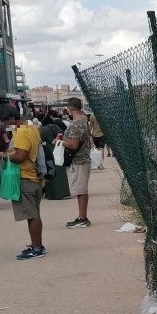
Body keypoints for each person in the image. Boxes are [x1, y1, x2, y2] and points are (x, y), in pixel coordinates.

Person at [6, 109, 46, 259]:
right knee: (34, 214)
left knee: (32, 215)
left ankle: (37, 248)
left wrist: (6, 156)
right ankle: (37, 244)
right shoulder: (33, 128)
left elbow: (20, 156)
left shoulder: (21, 132)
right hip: (35, 176)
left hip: (25, 177)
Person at [61, 97, 93, 228]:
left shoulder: (76, 123)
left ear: (70, 108)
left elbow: (73, 145)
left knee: (80, 190)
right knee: (81, 190)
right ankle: (82, 217)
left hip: (78, 161)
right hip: (83, 159)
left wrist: (59, 142)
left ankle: (83, 218)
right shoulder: (84, 120)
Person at [39, 111, 70, 200]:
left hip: (48, 151)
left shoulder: (42, 129)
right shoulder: (55, 126)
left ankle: (52, 194)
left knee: (50, 172)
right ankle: (64, 192)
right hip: (59, 150)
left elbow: (40, 140)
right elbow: (62, 134)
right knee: (61, 173)